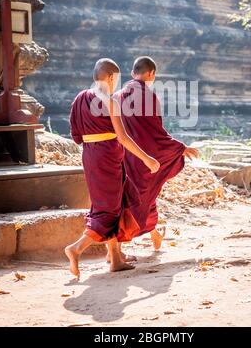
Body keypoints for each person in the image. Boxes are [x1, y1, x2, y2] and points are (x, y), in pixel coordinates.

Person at [65, 58, 160, 278]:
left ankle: (115, 258)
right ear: (110, 77)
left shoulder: (80, 98)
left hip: (90, 155)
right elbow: (124, 138)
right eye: (116, 79)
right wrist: (147, 159)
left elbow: (76, 135)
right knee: (107, 210)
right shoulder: (110, 102)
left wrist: (94, 142)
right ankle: (76, 248)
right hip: (108, 156)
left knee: (114, 204)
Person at [119, 56, 199, 251]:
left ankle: (153, 236)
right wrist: (180, 148)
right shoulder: (147, 95)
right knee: (141, 198)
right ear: (152, 74)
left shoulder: (119, 95)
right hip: (144, 158)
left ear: (132, 73)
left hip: (125, 155)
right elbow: (156, 134)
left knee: (137, 197)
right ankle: (118, 246)